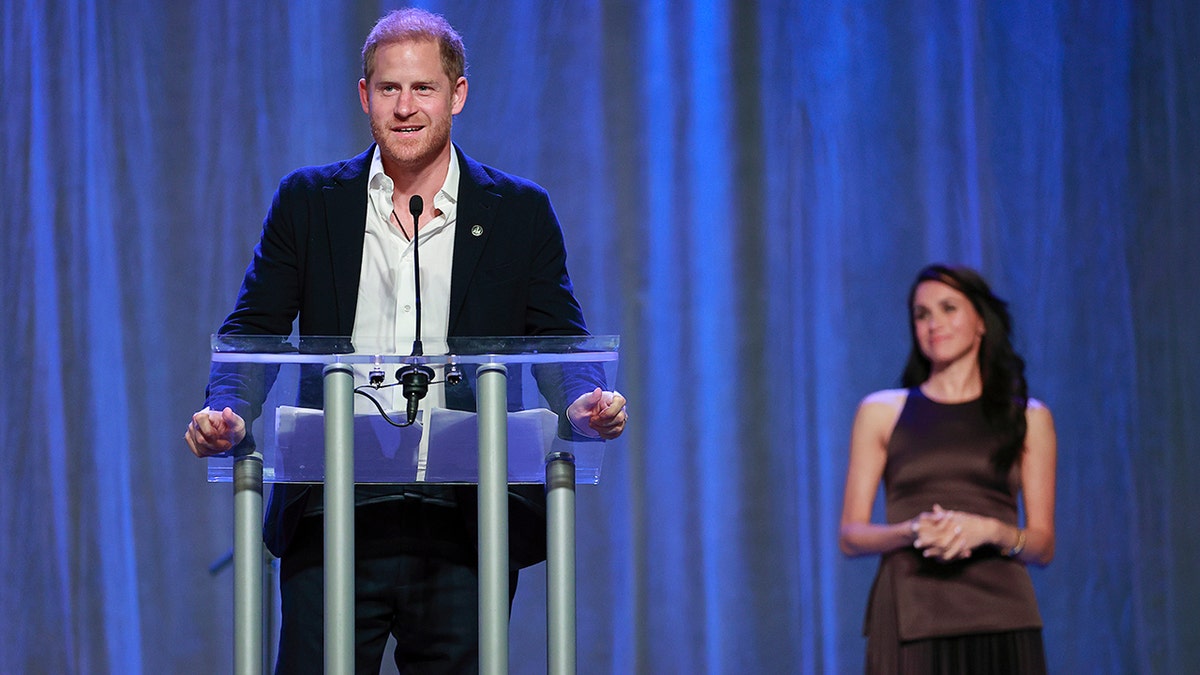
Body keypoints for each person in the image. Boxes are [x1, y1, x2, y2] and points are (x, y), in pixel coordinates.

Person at [183, 8, 628, 673]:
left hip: (466, 512)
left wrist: (584, 400)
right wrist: (227, 408)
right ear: (365, 95)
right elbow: (254, 329)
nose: (406, 107)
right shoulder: (309, 201)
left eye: (423, 88)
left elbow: (559, 338)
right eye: (389, 88)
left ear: (457, 94)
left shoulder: (518, 211)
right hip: (333, 503)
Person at [838, 264, 1056, 674]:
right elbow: (851, 535)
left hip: (1002, 616)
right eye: (921, 315)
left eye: (948, 308)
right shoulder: (882, 412)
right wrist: (912, 530)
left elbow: (1042, 546)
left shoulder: (1030, 418)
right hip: (911, 614)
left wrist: (989, 531)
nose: (933, 323)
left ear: (981, 323)